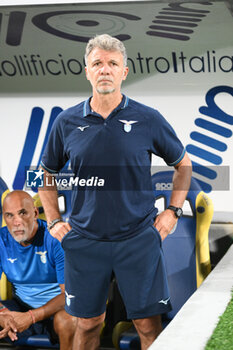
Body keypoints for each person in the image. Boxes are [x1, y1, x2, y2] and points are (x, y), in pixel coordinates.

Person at [38, 34, 192, 350]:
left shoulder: (148, 118)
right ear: (87, 71)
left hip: (138, 238)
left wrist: (172, 211)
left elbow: (184, 166)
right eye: (98, 63)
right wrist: (54, 220)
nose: (105, 70)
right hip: (85, 240)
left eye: (112, 64)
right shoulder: (66, 122)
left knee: (148, 326)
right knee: (88, 324)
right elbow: (46, 175)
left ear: (124, 71)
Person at [0, 190, 76, 349]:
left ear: (35, 213)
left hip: (56, 312)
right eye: (9, 215)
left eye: (22, 213)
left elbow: (68, 295)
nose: (17, 222)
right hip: (20, 309)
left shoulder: (55, 239)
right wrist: (3, 315)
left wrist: (31, 317)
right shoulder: (2, 240)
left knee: (68, 321)